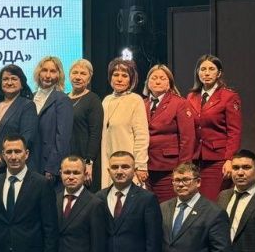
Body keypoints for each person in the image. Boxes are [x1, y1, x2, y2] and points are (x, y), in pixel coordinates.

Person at [186, 55, 242, 201]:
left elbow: (234, 132)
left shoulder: (228, 96)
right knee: (195, 202)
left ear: (219, 73)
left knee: (212, 202)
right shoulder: (191, 97)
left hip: (217, 160)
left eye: (211, 69)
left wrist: (229, 159)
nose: (207, 73)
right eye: (203, 69)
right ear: (197, 72)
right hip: (195, 160)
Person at [143, 64, 196, 203]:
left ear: (169, 83)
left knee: (167, 207)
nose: (158, 81)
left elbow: (187, 138)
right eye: (154, 78)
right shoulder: (142, 103)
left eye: (162, 78)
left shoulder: (179, 103)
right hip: (146, 167)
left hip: (169, 167)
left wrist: (183, 168)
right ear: (147, 82)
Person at [0, 64, 38, 179]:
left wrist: (3, 158)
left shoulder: (27, 105)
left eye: (14, 79)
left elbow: (27, 137)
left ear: (22, 83)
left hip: (14, 165)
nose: (9, 82)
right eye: (5, 79)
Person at [100, 58, 149, 189]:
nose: (119, 79)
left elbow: (142, 136)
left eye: (124, 75)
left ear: (131, 79)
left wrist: (140, 165)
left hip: (128, 163)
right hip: (108, 163)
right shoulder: (106, 100)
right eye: (116, 75)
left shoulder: (135, 100)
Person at [32, 56, 74, 184]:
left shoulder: (62, 99)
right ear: (38, 72)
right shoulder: (30, 97)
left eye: (53, 71)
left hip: (48, 165)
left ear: (59, 75)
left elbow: (63, 138)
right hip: (30, 162)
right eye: (44, 70)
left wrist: (52, 167)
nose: (48, 75)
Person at [68, 59, 103, 191]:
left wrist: (89, 162)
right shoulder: (63, 98)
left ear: (89, 78)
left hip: (84, 160)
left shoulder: (93, 100)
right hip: (66, 160)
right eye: (75, 73)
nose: (78, 77)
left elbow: (95, 133)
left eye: (83, 74)